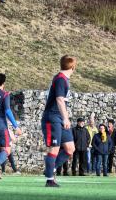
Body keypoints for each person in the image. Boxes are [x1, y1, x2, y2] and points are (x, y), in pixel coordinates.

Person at [41, 55, 77, 188]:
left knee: (70, 149)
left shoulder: (64, 79)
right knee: (54, 149)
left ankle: (50, 168)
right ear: (73, 67)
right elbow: (59, 100)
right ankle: (50, 180)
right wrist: (65, 118)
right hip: (53, 118)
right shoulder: (61, 79)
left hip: (60, 118)